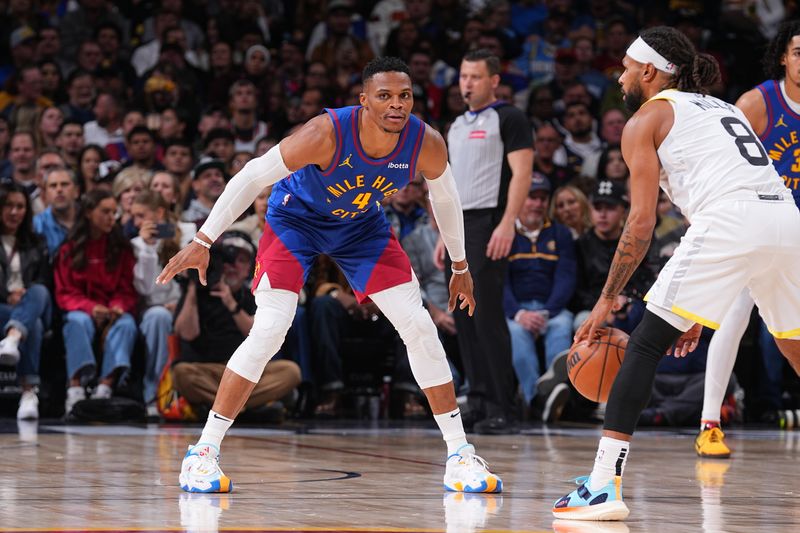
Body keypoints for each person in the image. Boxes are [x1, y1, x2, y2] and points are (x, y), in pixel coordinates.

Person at [157, 57, 501, 494]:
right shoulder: (325, 133)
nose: (397, 105)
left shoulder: (425, 141)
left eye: (405, 96)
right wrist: (203, 241)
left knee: (418, 324)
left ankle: (459, 454)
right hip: (295, 220)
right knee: (270, 328)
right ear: (363, 101)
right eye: (385, 96)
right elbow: (253, 174)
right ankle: (203, 452)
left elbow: (447, 198)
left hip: (360, 225)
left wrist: (460, 265)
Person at [552, 26, 800, 521]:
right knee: (795, 346)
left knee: (643, 345)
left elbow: (642, 221)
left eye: (625, 66)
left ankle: (602, 486)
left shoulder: (646, 118)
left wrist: (606, 299)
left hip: (732, 220)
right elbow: (721, 205)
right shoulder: (724, 108)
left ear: (648, 69)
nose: (619, 75)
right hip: (786, 220)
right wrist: (696, 308)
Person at [696, 19, 800, 459]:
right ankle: (710, 423)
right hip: (755, 223)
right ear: (782, 56)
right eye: (799, 51)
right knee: (735, 317)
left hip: (793, 232)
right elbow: (723, 164)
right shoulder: (759, 102)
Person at [437, 48, 533, 434]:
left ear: (494, 80)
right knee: (465, 316)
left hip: (489, 220)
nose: (467, 83)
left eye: (475, 77)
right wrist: (445, 233)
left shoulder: (509, 117)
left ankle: (502, 405)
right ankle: (477, 398)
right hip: (458, 225)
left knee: (489, 316)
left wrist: (508, 223)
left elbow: (522, 173)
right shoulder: (456, 124)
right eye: (463, 76)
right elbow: (445, 185)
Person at [55, 190, 139, 416]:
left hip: (112, 310)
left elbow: (127, 288)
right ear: (89, 213)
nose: (111, 217)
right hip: (82, 309)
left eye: (114, 212)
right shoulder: (69, 249)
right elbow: (64, 292)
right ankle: (75, 388)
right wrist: (91, 308)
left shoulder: (122, 248)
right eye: (105, 211)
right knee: (77, 321)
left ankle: (105, 386)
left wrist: (118, 306)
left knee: (127, 323)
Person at [504, 175, 575, 420]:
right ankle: (537, 398)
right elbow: (500, 282)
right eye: (531, 197)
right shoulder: (505, 232)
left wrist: (547, 312)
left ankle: (552, 390)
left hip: (550, 309)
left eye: (542, 198)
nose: (537, 203)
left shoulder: (560, 233)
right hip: (517, 310)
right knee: (514, 332)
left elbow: (566, 277)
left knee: (563, 324)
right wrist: (519, 313)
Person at [0, 183, 51, 420]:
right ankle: (29, 392)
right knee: (34, 325)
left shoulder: (37, 242)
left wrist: (23, 295)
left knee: (39, 291)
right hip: (2, 306)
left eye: (20, 206)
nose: (14, 212)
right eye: (8, 205)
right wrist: (7, 295)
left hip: (31, 302)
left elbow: (43, 280)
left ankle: (12, 338)